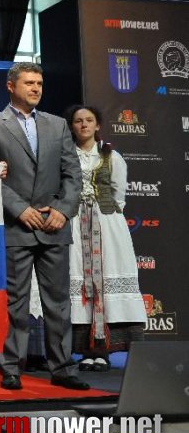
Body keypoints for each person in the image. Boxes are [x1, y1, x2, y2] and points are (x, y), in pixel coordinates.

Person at [0, 62, 89, 391]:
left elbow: (73, 176)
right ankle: (11, 367)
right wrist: (20, 209)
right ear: (11, 86)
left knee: (58, 302)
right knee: (15, 303)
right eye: (29, 83)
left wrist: (63, 211)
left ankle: (63, 368)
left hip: (54, 225)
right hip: (16, 226)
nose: (36, 88)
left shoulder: (58, 126)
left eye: (39, 82)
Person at [66, 105, 145, 371]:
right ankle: (86, 350)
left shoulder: (111, 156)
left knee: (107, 278)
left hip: (107, 224)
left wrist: (102, 213)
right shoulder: (65, 155)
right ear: (72, 126)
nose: (84, 125)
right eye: (78, 121)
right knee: (82, 281)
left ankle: (104, 350)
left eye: (89, 120)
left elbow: (119, 194)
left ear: (98, 125)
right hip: (75, 224)